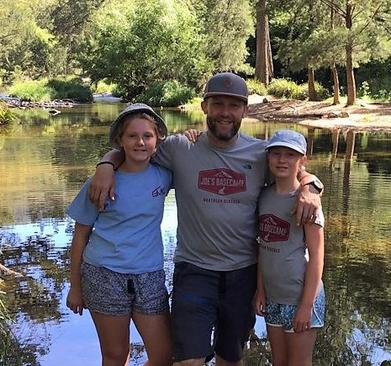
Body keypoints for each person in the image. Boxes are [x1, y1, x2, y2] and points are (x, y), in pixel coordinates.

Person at [88, 72, 323, 366]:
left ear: (245, 110)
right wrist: (106, 164)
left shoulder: (261, 154)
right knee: (188, 360)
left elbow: (294, 168)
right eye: (218, 104)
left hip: (243, 273)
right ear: (204, 107)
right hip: (194, 271)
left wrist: (311, 187)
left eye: (234, 105)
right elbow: (136, 147)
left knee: (230, 359)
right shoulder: (179, 148)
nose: (225, 112)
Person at [66, 103, 173, 366]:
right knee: (115, 356)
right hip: (103, 275)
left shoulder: (165, 175)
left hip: (149, 276)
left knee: (164, 356)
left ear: (157, 139)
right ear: (120, 141)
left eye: (147, 136)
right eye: (132, 136)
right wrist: (75, 287)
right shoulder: (99, 183)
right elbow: (80, 237)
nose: (140, 142)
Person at [254, 130, 326, 366]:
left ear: (302, 160)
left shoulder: (307, 200)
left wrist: (306, 306)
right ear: (268, 158)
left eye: (290, 155)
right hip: (273, 296)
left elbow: (316, 256)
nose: (282, 160)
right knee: (279, 361)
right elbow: (263, 247)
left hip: (300, 298)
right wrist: (260, 290)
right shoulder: (263, 196)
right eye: (276, 154)